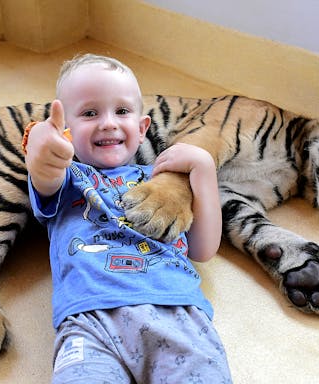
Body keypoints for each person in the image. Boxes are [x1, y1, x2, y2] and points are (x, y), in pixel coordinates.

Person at [24, 53, 232, 383]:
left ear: (142, 127)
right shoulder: (69, 177)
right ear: (66, 132)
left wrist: (203, 171)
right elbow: (43, 174)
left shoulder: (163, 179)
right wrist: (41, 149)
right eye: (90, 113)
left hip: (177, 313)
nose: (108, 122)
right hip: (89, 322)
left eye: (121, 111)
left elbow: (203, 249)